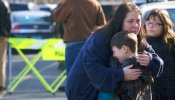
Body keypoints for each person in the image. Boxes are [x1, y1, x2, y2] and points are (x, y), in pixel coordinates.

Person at [65, 2, 163, 100]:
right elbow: (93, 69)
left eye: (138, 21)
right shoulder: (100, 38)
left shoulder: (137, 38)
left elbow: (158, 62)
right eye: (130, 21)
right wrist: (121, 75)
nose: (135, 25)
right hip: (83, 91)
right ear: (120, 21)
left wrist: (150, 60)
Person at [52, 0, 106, 74]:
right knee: (90, 77)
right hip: (91, 45)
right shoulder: (95, 3)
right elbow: (102, 26)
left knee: (73, 77)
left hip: (73, 45)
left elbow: (56, 16)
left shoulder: (69, 3)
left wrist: (61, 3)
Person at [98, 31, 153, 100]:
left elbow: (126, 91)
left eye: (114, 51)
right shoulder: (143, 64)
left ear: (124, 49)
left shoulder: (129, 67)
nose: (113, 55)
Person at [142, 8, 175, 100]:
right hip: (151, 92)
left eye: (156, 23)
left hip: (171, 90)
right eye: (148, 22)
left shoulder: (171, 42)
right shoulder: (142, 43)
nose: (151, 26)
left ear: (165, 26)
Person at [0, 0, 11, 92]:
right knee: (2, 61)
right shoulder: (4, 4)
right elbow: (8, 21)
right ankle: (1, 84)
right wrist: (7, 33)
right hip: (2, 36)